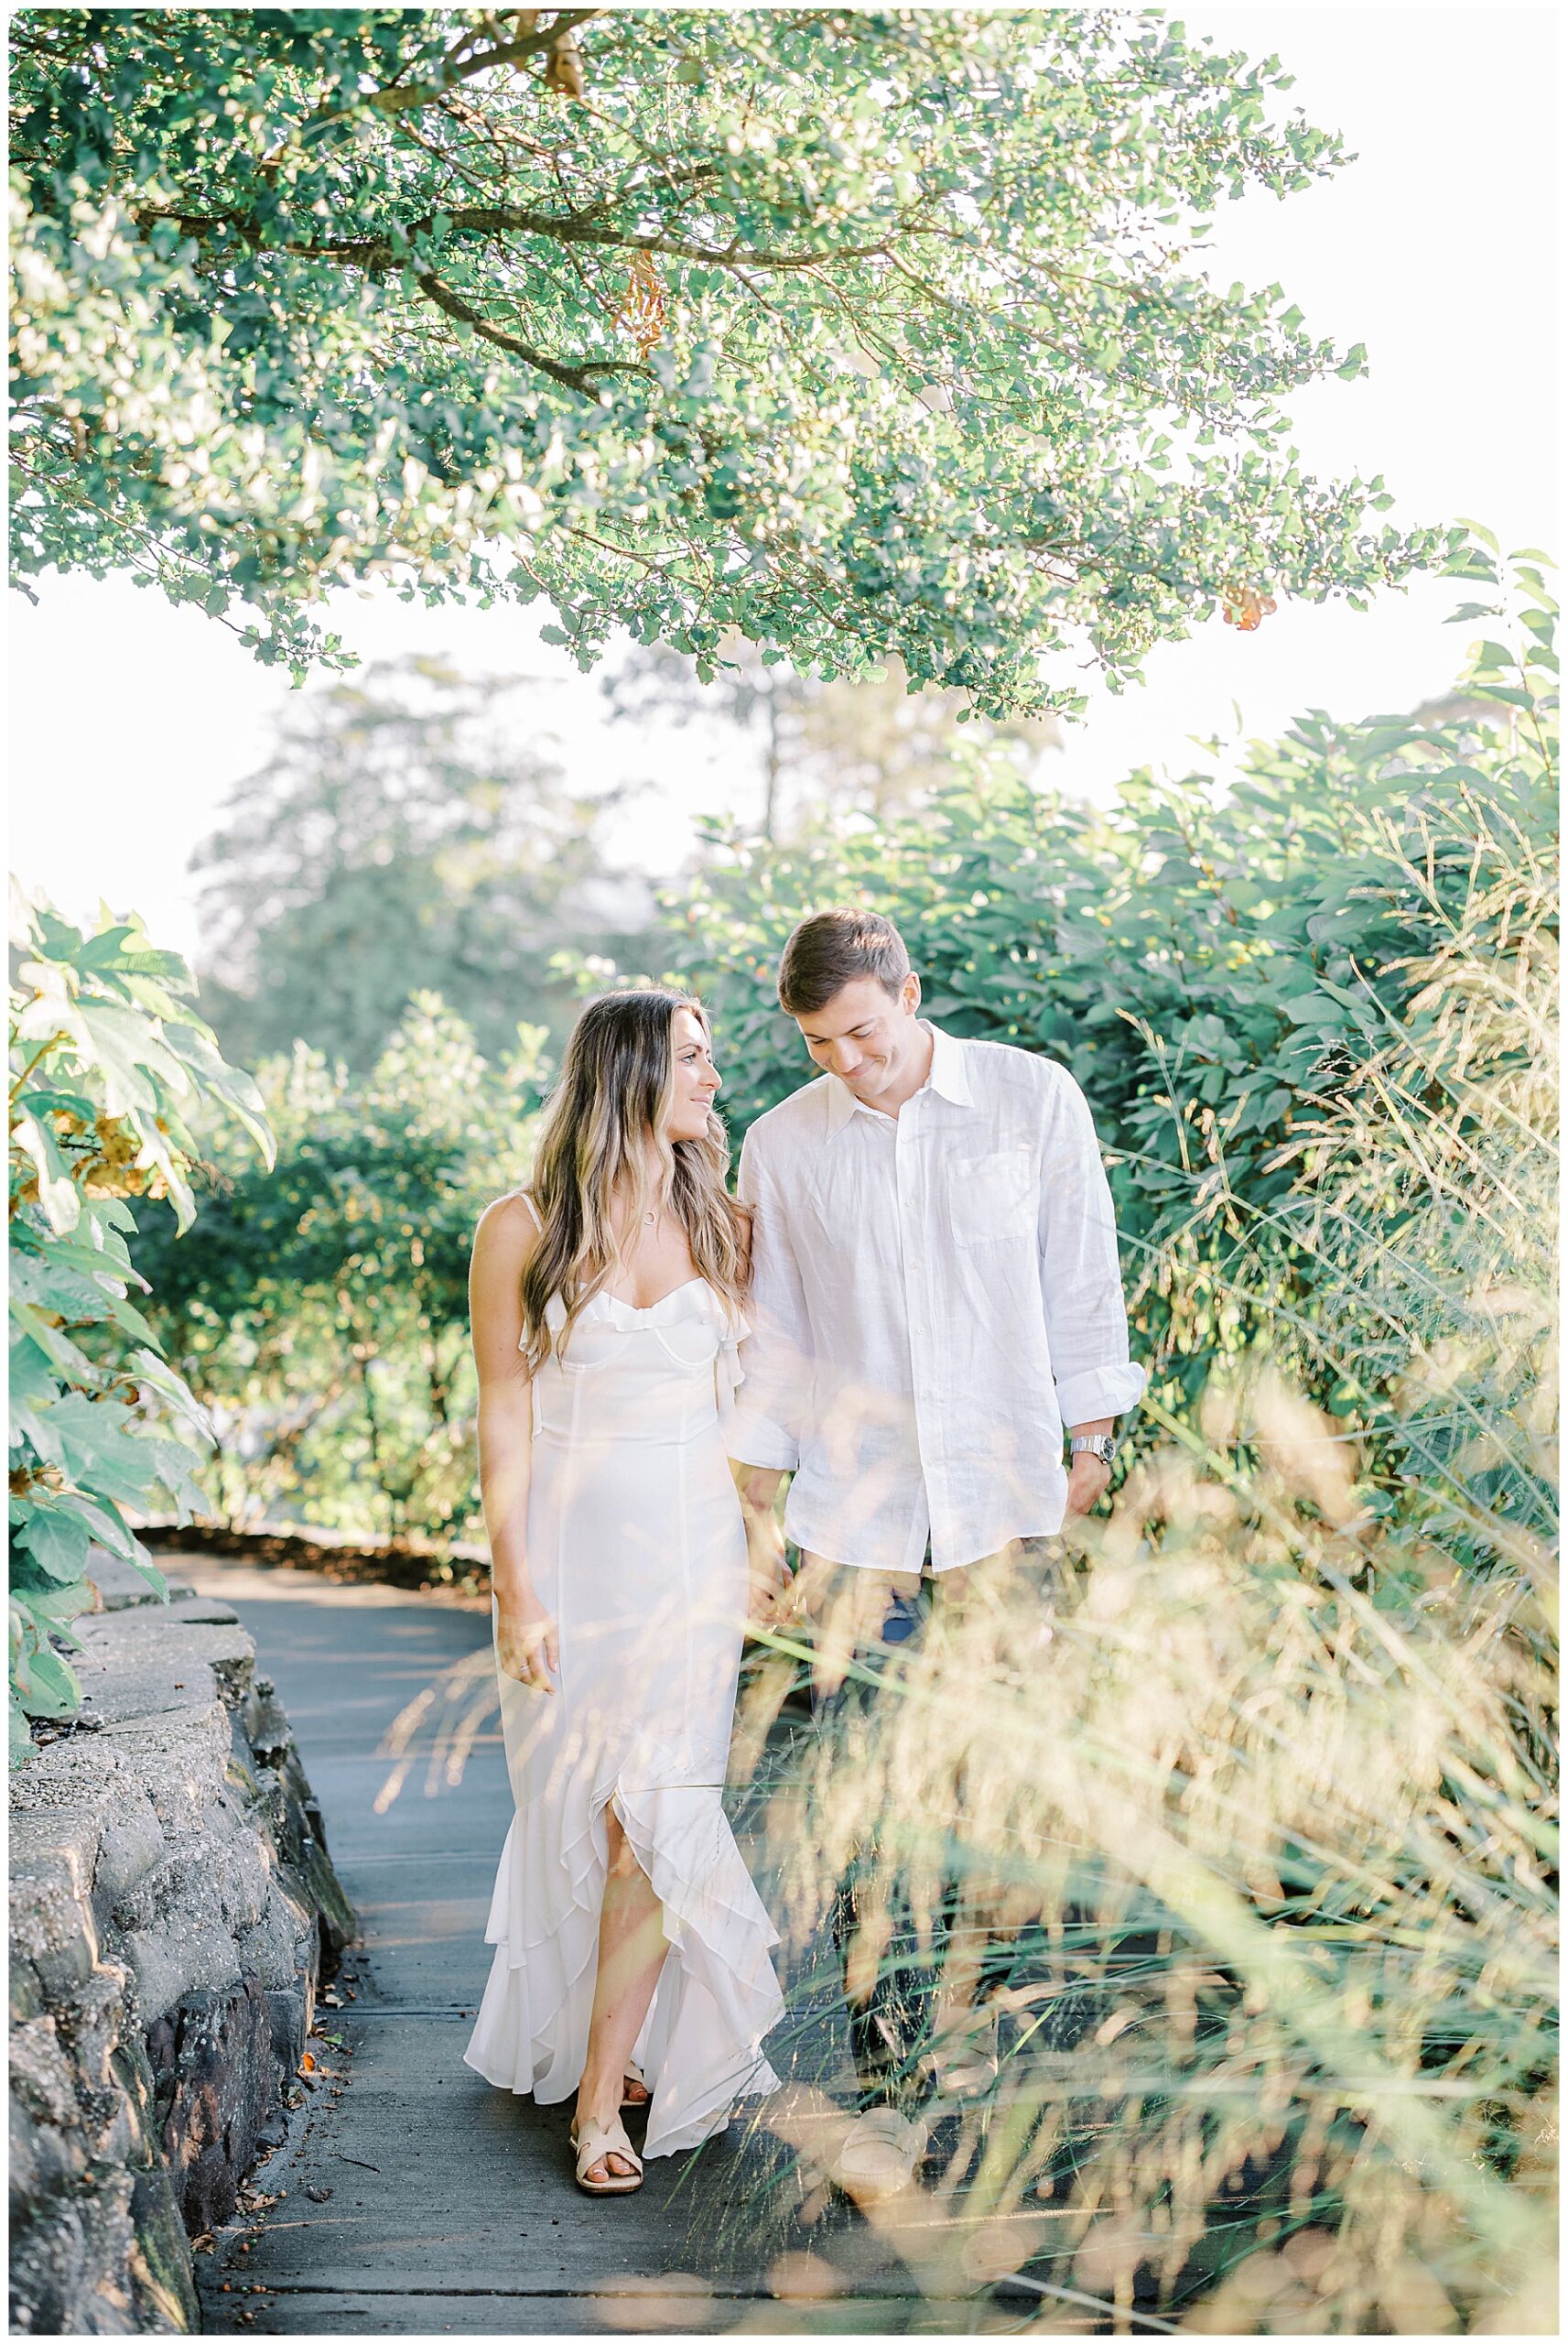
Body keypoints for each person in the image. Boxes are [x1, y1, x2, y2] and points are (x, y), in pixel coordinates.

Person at [729, 908, 1147, 2196]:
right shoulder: (781, 1144)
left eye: (860, 1031)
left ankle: (988, 2062)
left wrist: (1091, 1433)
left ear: (909, 993)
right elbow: (773, 1333)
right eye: (817, 1045)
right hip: (855, 1523)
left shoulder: (1028, 1098)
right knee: (865, 1786)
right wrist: (758, 1512)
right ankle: (894, 2072)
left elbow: (1079, 1268)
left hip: (1006, 1501)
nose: (843, 1063)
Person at [463, 990, 785, 2196]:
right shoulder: (523, 1227)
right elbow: (502, 1414)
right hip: (568, 1550)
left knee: (647, 1819)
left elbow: (747, 1412)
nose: (714, 1077)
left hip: (691, 1558)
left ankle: (601, 2106)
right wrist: (513, 1588)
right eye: (694, 1059)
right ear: (632, 1073)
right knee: (580, 1821)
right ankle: (622, 2042)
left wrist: (763, 1545)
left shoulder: (727, 1226)